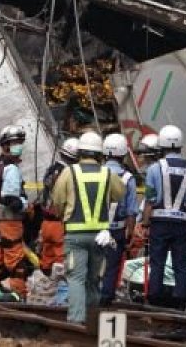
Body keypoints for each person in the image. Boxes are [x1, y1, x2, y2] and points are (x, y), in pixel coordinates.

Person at [51, 131, 126, 324]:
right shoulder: (107, 173)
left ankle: (76, 320)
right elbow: (119, 194)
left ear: (80, 152)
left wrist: (64, 214)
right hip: (100, 236)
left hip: (75, 235)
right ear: (100, 154)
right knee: (94, 280)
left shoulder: (70, 172)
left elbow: (57, 200)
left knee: (76, 278)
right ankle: (93, 321)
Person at [141, 124, 186, 310]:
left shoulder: (154, 169)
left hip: (158, 223)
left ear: (162, 145)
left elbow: (150, 200)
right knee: (181, 263)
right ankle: (180, 298)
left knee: (157, 262)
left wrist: (144, 223)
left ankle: (154, 296)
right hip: (181, 224)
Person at [0, 125, 29, 302]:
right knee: (16, 263)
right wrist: (25, 204)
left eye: (19, 142)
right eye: (15, 143)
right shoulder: (12, 169)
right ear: (5, 145)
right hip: (9, 223)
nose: (19, 146)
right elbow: (11, 200)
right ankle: (19, 295)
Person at [99, 133, 137, 306]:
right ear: (123, 153)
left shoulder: (95, 173)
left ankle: (91, 298)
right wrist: (130, 235)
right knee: (112, 267)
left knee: (94, 263)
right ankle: (106, 299)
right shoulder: (128, 178)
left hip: (95, 228)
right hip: (117, 230)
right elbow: (131, 212)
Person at [39, 137, 78, 275]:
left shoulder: (51, 169)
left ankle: (44, 287)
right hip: (59, 224)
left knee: (46, 258)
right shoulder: (70, 174)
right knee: (61, 259)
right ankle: (59, 292)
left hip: (46, 223)